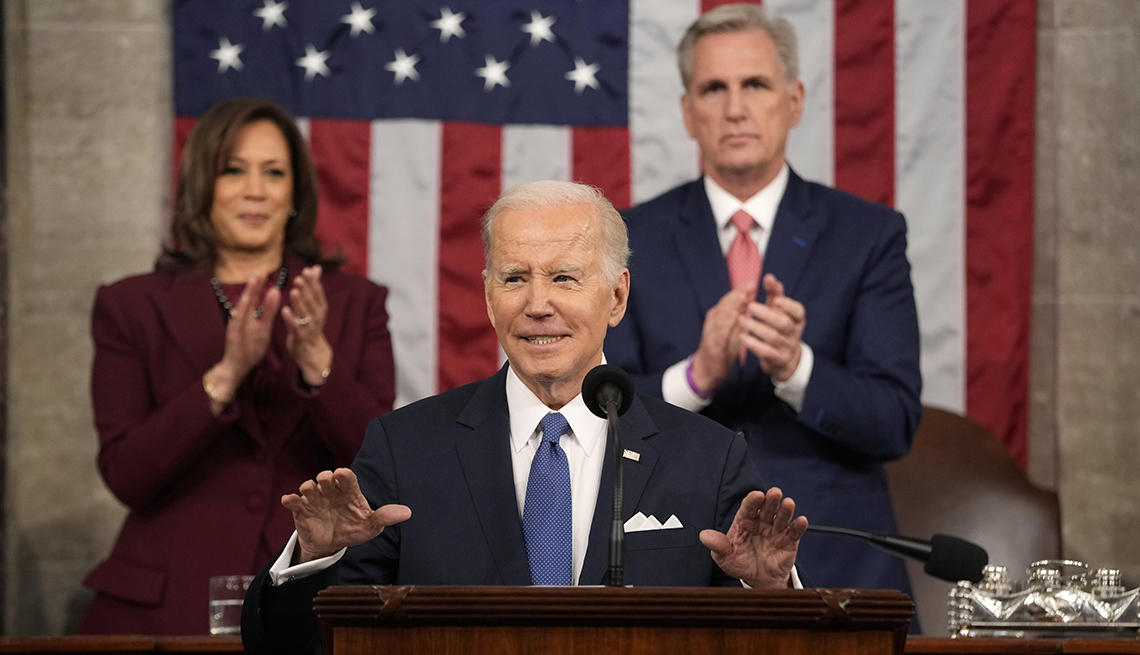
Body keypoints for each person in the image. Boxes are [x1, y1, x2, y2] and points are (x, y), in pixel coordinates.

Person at [240, 180, 808, 655]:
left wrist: (768, 591)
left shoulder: (707, 459)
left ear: (616, 296)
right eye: (515, 278)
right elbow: (303, 647)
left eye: (564, 277)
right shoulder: (405, 449)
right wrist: (314, 561)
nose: (538, 304)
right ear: (489, 298)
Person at [604, 4, 922, 596]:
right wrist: (695, 379)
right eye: (713, 88)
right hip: (674, 558)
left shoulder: (868, 235)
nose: (735, 107)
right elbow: (593, 416)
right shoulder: (628, 238)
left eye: (754, 84)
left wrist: (796, 367)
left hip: (834, 559)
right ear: (687, 113)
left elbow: (895, 423)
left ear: (794, 101)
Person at [79, 97, 396, 635]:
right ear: (204, 186)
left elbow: (375, 466)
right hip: (169, 600)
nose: (255, 189)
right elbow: (127, 475)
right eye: (233, 170)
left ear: (295, 192)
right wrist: (224, 376)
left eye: (273, 172)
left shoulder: (354, 303)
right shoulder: (131, 306)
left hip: (311, 597)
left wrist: (318, 362)